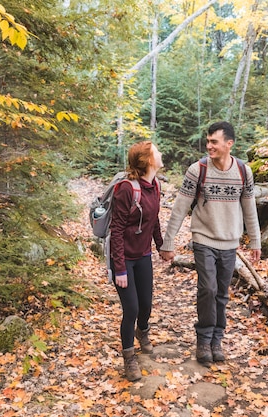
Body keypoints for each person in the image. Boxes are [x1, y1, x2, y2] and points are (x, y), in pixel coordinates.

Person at [159, 121, 261, 366]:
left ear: (229, 144)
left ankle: (217, 340)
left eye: (214, 142)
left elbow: (250, 209)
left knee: (222, 294)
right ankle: (203, 339)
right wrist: (168, 242)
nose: (209, 146)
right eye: (208, 141)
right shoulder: (198, 170)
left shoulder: (243, 172)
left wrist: (255, 241)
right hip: (203, 238)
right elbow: (180, 207)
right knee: (208, 289)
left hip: (230, 242)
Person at [109, 140, 164, 381]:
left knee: (146, 306)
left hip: (143, 256)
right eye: (157, 152)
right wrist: (119, 268)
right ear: (149, 161)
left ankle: (143, 331)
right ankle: (129, 357)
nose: (161, 154)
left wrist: (162, 247)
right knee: (130, 308)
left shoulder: (156, 186)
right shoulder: (126, 189)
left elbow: (154, 220)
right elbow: (117, 229)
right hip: (123, 260)